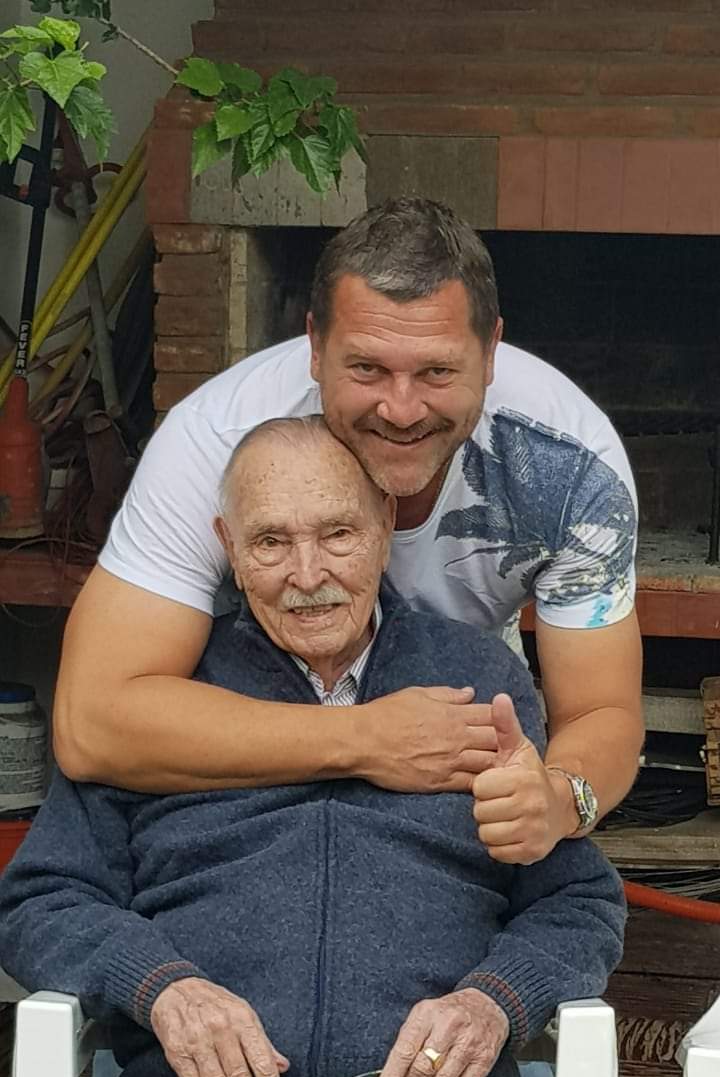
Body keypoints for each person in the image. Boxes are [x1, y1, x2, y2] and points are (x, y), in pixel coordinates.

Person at [0, 419, 625, 1077]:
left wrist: (494, 1001)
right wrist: (162, 987)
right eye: (270, 542)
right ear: (228, 548)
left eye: (336, 534)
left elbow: (578, 902)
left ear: (384, 524)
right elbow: (42, 898)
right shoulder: (165, 697)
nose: (307, 575)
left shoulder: (478, 680)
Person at [54, 198, 643, 864]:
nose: (401, 409)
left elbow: (602, 713)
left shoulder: (573, 468)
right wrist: (365, 739)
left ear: (491, 353)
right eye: (367, 369)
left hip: (463, 697)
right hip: (246, 713)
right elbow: (90, 723)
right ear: (315, 347)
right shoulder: (213, 444)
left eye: (437, 371)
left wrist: (560, 799)